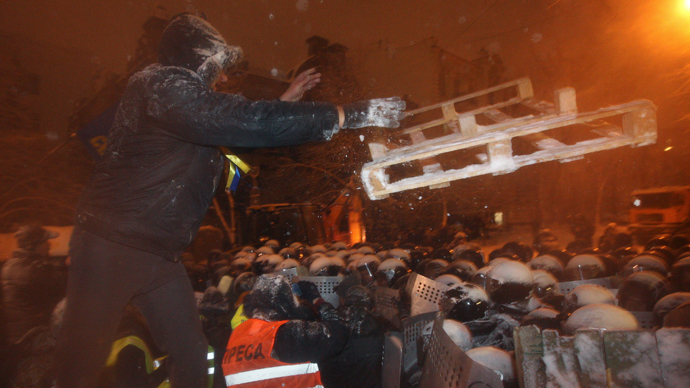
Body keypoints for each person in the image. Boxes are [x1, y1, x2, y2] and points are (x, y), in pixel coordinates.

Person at [54, 13, 405, 388]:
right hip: (112, 244)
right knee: (81, 363)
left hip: (160, 255)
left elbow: (238, 148)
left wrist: (283, 103)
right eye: (217, 67)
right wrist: (347, 114)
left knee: (191, 353)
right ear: (195, 59)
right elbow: (244, 122)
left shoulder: (191, 113)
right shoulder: (159, 86)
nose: (222, 77)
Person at [222, 275, 348, 387]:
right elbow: (337, 333)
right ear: (284, 302)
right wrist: (318, 302)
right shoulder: (286, 333)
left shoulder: (238, 333)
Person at [1, 225, 65, 388]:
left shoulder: (11, 266)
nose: (49, 245)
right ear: (34, 245)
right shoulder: (31, 270)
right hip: (34, 341)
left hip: (19, 340)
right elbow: (62, 285)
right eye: (45, 242)